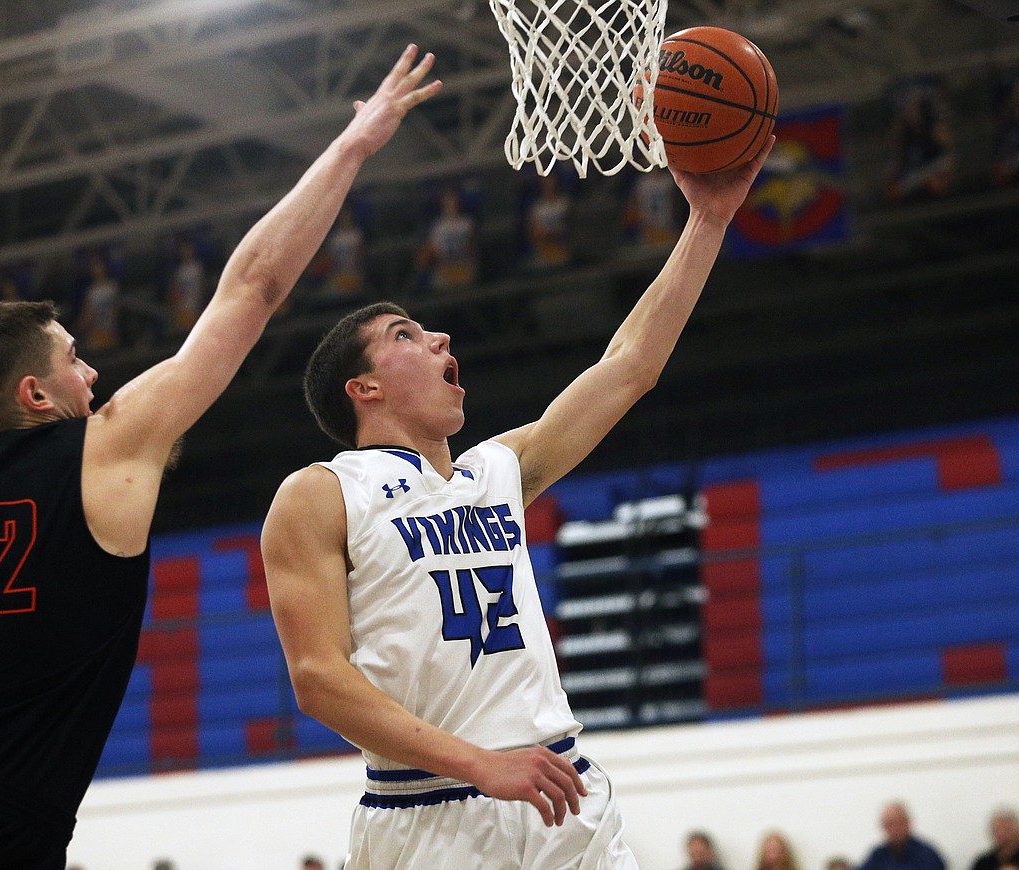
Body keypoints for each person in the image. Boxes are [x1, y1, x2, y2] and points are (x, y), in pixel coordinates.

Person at [0, 45, 442, 870]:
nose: (93, 373)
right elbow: (252, 288)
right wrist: (351, 146)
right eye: (72, 358)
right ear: (35, 394)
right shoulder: (106, 447)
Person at [261, 129, 774, 867]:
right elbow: (317, 681)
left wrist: (708, 221)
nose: (441, 337)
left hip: (562, 790)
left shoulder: (495, 471)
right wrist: (477, 763)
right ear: (364, 389)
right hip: (427, 809)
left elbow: (629, 366)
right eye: (407, 334)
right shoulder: (320, 493)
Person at [858, 802, 946, 870]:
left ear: (908, 823)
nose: (894, 829)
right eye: (889, 824)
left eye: (898, 823)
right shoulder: (878, 855)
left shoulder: (927, 854)